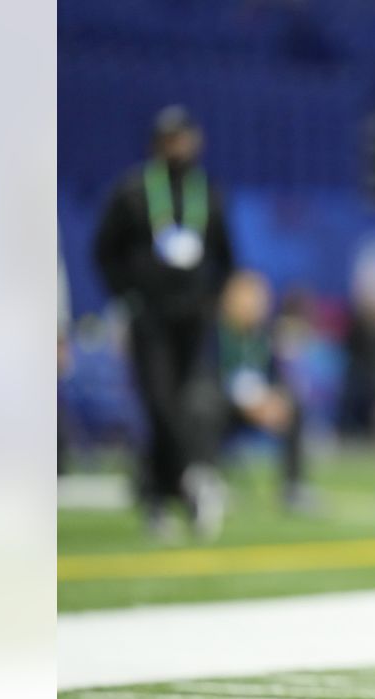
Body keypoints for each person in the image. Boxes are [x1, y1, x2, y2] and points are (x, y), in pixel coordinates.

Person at [94, 105, 235, 540]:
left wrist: (209, 302)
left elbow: (226, 259)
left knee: (187, 403)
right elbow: (104, 251)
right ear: (157, 143)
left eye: (185, 137)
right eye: (170, 138)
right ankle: (193, 478)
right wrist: (128, 296)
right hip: (149, 317)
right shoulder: (134, 191)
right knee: (158, 403)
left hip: (191, 323)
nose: (179, 146)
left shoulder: (207, 192)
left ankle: (158, 499)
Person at [209, 270, 314, 513]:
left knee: (292, 406)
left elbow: (273, 377)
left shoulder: (262, 336)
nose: (256, 305)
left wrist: (273, 399)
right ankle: (209, 480)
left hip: (259, 406)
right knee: (206, 408)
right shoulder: (215, 333)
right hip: (225, 405)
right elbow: (210, 376)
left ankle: (293, 488)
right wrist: (244, 401)